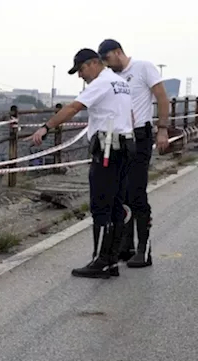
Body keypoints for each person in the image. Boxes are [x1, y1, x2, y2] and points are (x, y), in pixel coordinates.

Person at [30, 48, 134, 279]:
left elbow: (73, 108)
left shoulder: (101, 82)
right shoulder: (120, 82)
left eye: (81, 70)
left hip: (108, 150)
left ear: (93, 63)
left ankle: (101, 261)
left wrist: (46, 127)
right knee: (116, 206)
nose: (80, 76)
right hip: (125, 147)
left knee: (101, 206)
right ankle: (111, 260)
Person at [98, 39, 170, 268]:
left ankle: (144, 249)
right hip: (121, 136)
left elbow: (161, 97)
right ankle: (125, 245)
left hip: (141, 134)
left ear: (118, 52)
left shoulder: (143, 67)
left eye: (108, 59)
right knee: (122, 192)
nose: (108, 65)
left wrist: (162, 130)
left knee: (137, 191)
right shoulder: (112, 77)